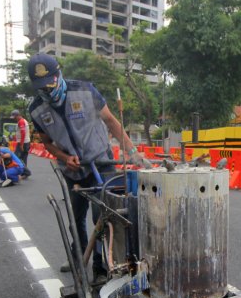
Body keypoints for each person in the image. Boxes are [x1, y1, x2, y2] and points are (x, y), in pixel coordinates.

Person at [25, 53, 149, 282]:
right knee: (76, 216)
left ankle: (101, 267)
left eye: (51, 84)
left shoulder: (84, 91)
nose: (48, 91)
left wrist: (132, 152)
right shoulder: (36, 110)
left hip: (100, 162)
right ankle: (79, 256)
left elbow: (111, 121)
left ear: (58, 75)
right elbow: (47, 143)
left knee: (102, 215)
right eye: (42, 87)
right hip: (72, 170)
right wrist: (64, 157)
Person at [10, 109, 32, 178]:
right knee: (23, 158)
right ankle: (24, 173)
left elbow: (23, 133)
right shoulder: (23, 121)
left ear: (18, 115)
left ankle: (26, 172)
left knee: (16, 158)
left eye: (15, 117)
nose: (14, 119)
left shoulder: (21, 122)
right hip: (26, 142)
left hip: (23, 143)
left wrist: (21, 144)